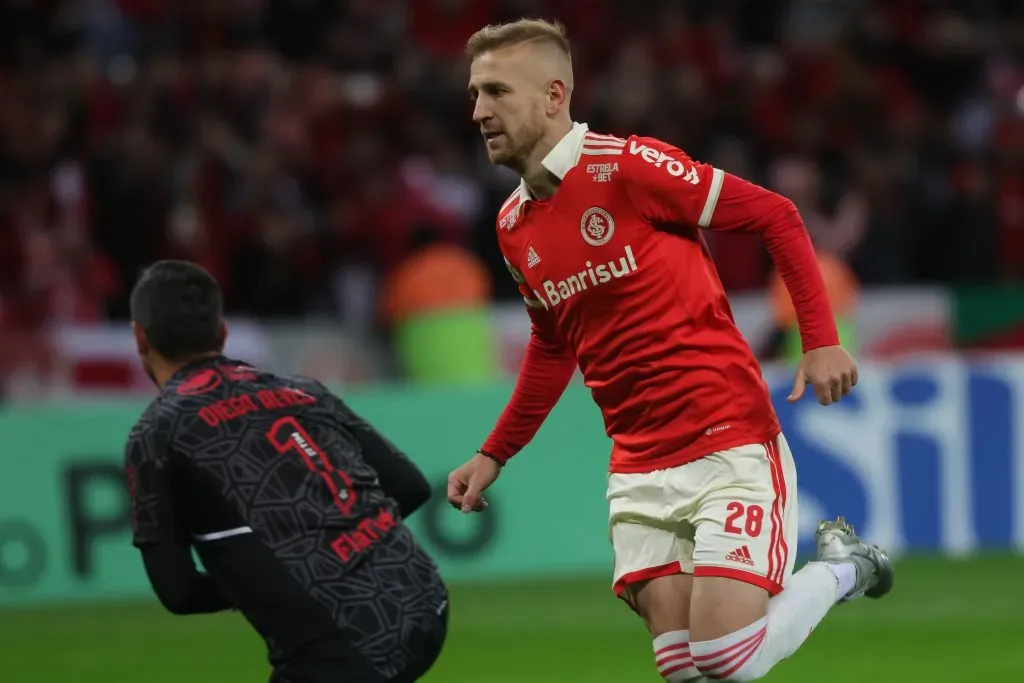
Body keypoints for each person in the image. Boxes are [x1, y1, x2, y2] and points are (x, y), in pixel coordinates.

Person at [447, 18, 893, 683]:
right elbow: (550, 344)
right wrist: (494, 451)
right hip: (637, 466)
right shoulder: (513, 226)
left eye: (495, 91)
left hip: (725, 440)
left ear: (552, 95)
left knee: (726, 660)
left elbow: (776, 213)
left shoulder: (625, 166)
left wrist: (820, 340)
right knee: (684, 671)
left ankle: (842, 567)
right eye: (475, 93)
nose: (478, 111)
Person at [124, 260, 449, 683]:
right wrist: (347, 543)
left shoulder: (156, 433)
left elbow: (179, 591)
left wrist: (261, 581)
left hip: (344, 642)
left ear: (139, 337)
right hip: (425, 597)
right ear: (221, 333)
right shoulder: (301, 389)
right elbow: (410, 486)